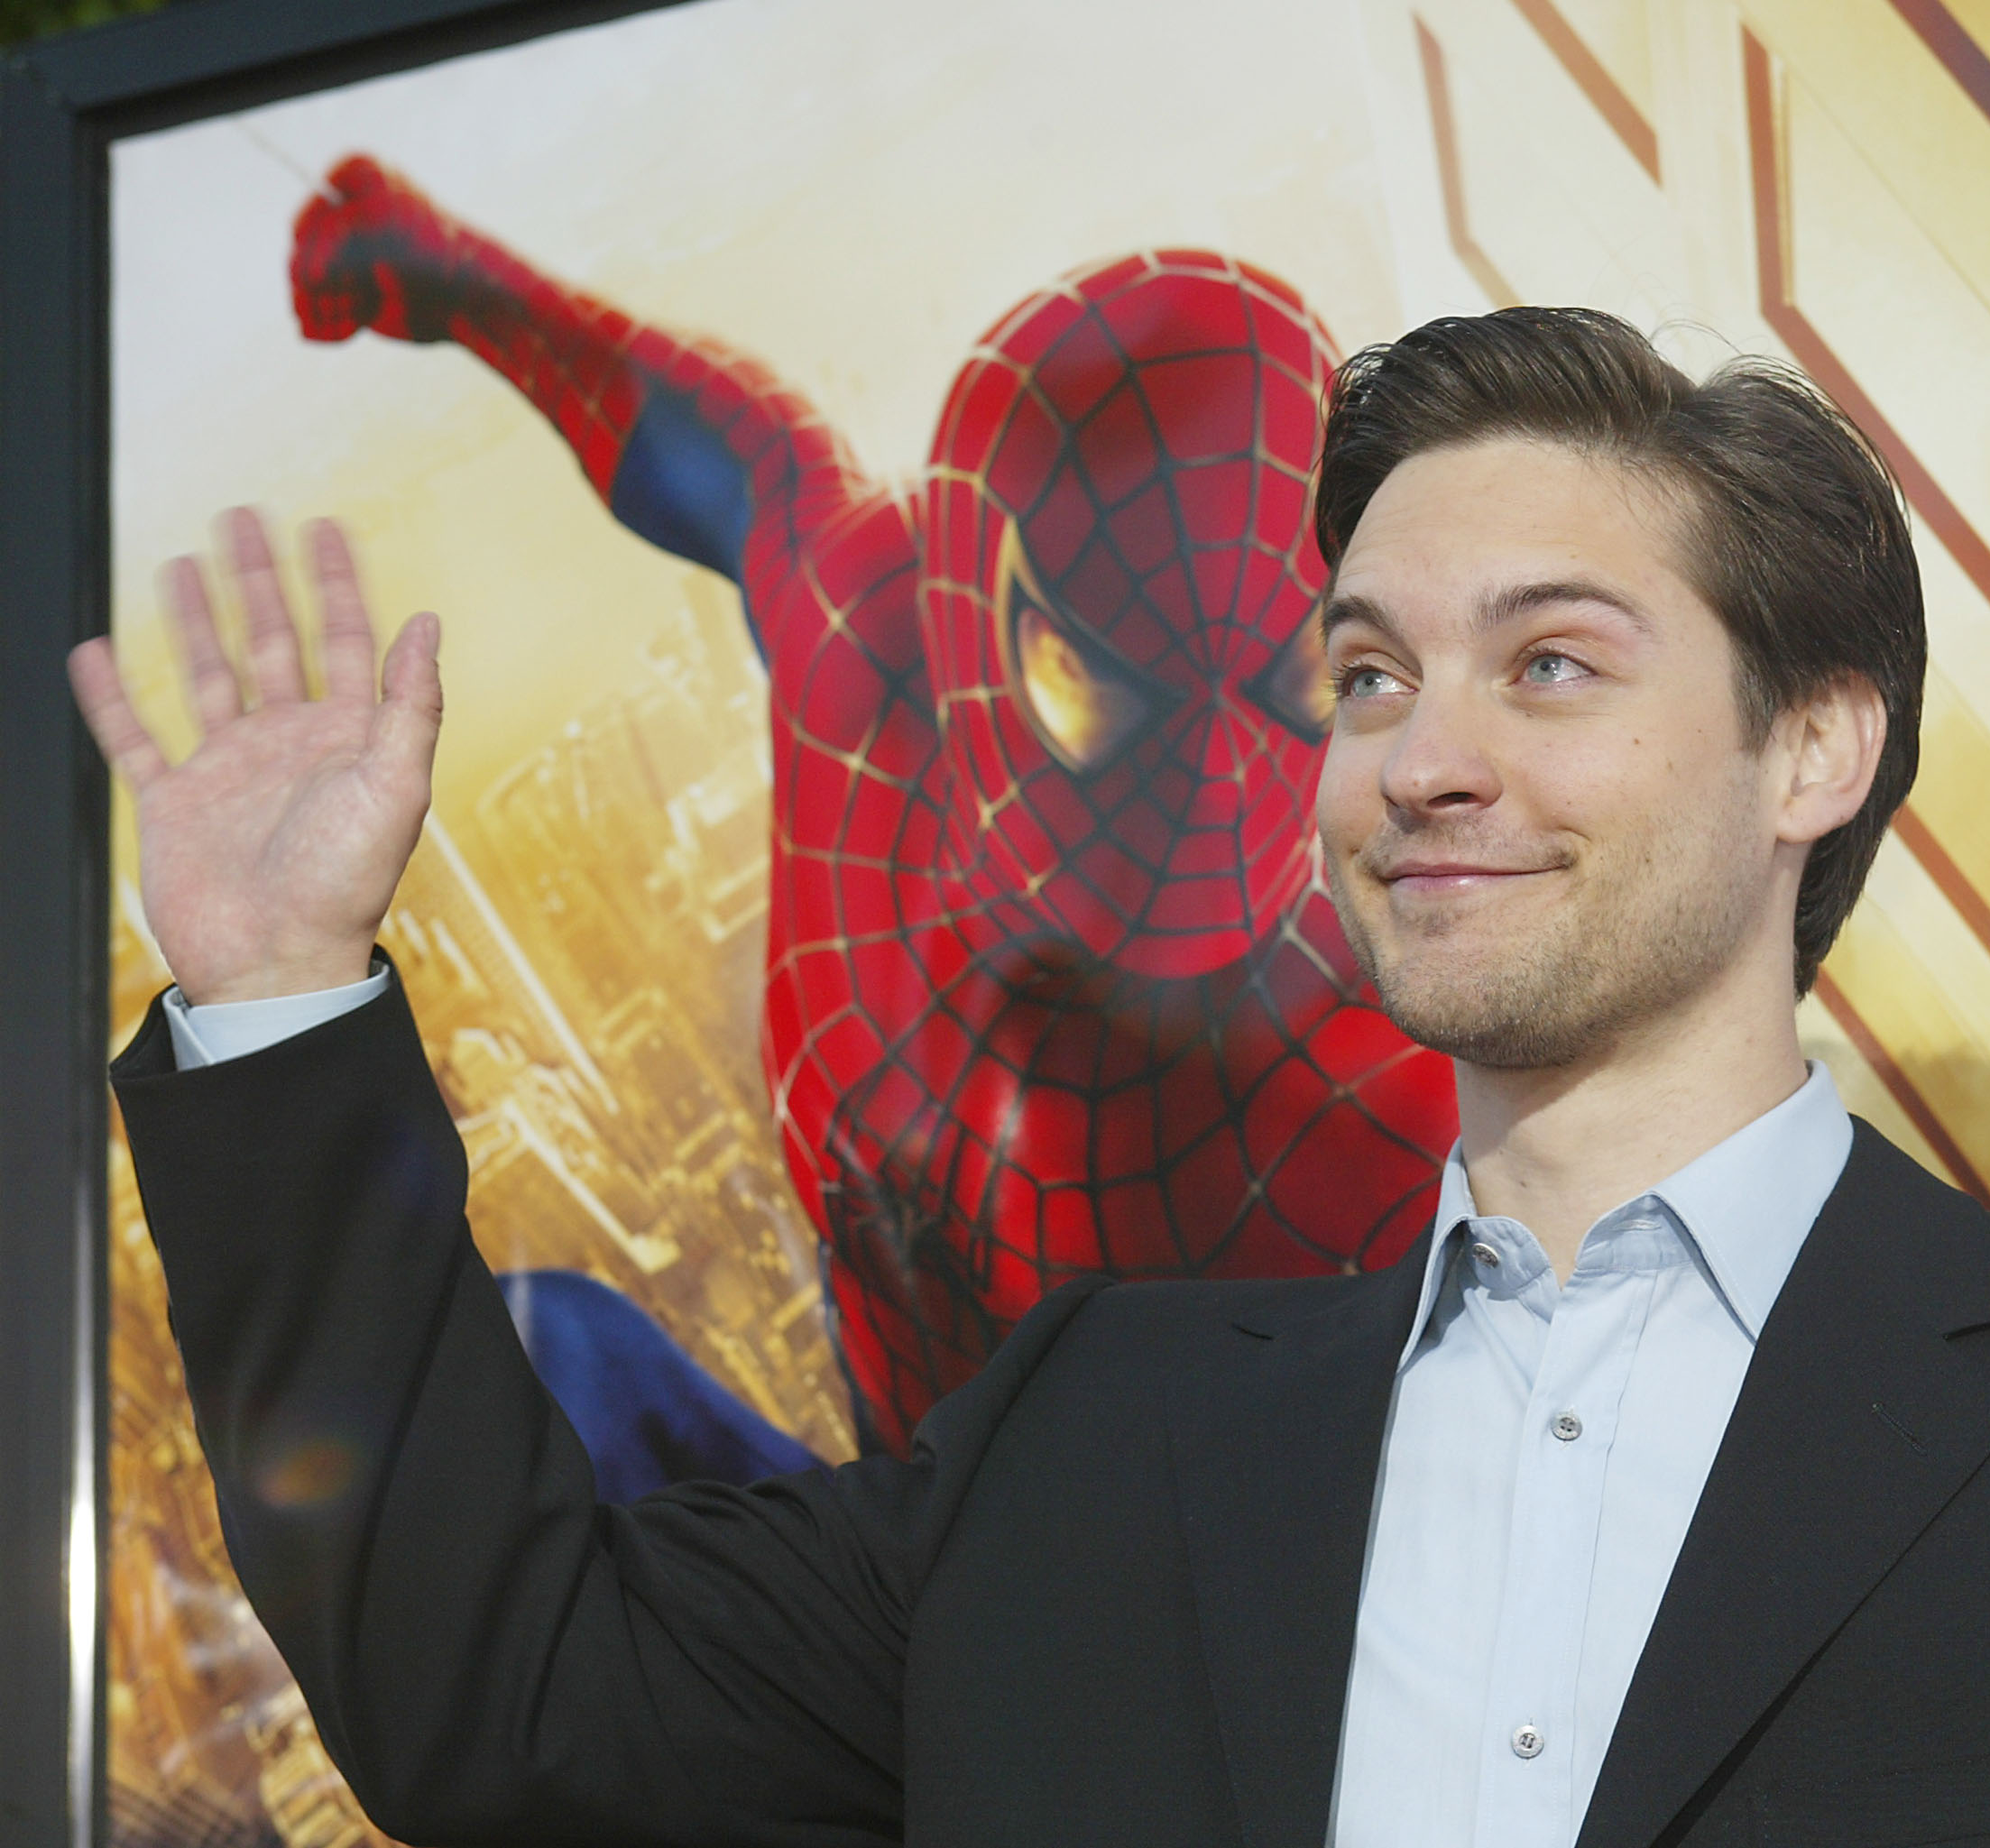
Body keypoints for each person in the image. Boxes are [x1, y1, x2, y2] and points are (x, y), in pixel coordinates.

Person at [81, 308, 1990, 1846]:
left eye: (1551, 665)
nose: (1426, 757)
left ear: (1814, 741)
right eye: (1367, 671)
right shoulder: (1102, 1429)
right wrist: (283, 988)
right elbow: (513, 1701)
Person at [286, 154, 1458, 1450]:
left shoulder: (1404, 1068)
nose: (1218, 775)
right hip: (901, 1503)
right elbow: (729, 451)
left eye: (1297, 670)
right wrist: (459, 277)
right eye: (1105, 684)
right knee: (538, 1362)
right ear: (977, 615)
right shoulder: (872, 653)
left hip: (1138, 1597)